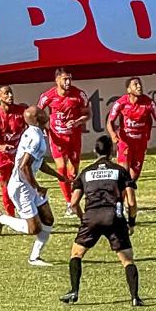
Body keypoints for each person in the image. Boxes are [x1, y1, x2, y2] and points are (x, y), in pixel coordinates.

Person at [61, 135, 144, 308]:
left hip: (91, 217)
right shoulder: (120, 171)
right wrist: (132, 221)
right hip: (114, 217)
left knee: (76, 254)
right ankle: (135, 297)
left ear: (94, 152)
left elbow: (74, 203)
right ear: (112, 151)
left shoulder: (85, 172)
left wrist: (83, 218)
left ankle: (74, 291)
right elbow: (132, 202)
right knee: (127, 260)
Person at [0, 104, 56, 267]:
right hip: (22, 187)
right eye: (40, 112)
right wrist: (37, 187)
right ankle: (1, 218)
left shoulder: (37, 133)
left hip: (29, 183)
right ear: (36, 119)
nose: (44, 113)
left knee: (48, 219)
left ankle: (35, 257)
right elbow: (23, 166)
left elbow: (38, 162)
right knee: (33, 228)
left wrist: (59, 176)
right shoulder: (35, 137)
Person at [38, 67, 88, 208]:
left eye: (70, 79)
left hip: (74, 137)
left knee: (73, 171)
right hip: (57, 137)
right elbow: (37, 113)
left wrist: (78, 121)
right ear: (57, 80)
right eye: (65, 79)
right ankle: (69, 202)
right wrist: (45, 127)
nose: (68, 82)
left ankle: (72, 195)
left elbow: (87, 113)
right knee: (61, 169)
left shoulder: (79, 95)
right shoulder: (47, 96)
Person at [105, 76, 156, 184]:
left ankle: (126, 199)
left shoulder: (149, 103)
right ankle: (120, 200)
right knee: (124, 173)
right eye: (135, 84)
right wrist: (113, 135)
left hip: (140, 143)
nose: (139, 86)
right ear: (128, 90)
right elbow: (110, 122)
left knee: (133, 179)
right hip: (125, 142)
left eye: (140, 84)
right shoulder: (120, 103)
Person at [0, 84, 29, 216]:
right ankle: (11, 216)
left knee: (23, 184)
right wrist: (1, 147)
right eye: (6, 93)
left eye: (10, 93)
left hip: (19, 156)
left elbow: (31, 125)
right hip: (2, 158)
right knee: (6, 187)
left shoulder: (21, 111)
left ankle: (28, 212)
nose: (10, 95)